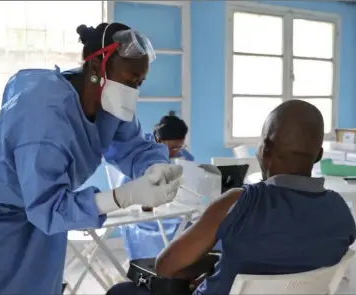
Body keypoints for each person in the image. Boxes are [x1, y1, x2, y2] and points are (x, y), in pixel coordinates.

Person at [0, 22, 184, 295]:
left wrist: (156, 165)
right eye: (129, 80)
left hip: (37, 208)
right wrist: (121, 197)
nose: (134, 90)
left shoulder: (108, 102)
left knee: (39, 285)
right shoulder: (45, 115)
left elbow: (134, 146)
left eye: (139, 82)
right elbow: (48, 208)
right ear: (96, 67)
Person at [107, 100, 356, 295]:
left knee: (122, 291)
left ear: (265, 148)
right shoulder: (341, 212)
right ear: (319, 154)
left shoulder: (237, 203)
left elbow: (166, 266)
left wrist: (211, 270)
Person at [118, 112, 194, 260]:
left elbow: (191, 177)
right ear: (158, 141)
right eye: (172, 149)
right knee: (183, 226)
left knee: (199, 223)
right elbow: (128, 194)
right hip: (148, 214)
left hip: (173, 208)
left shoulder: (181, 155)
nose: (176, 152)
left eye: (180, 147)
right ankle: (169, 264)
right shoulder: (140, 156)